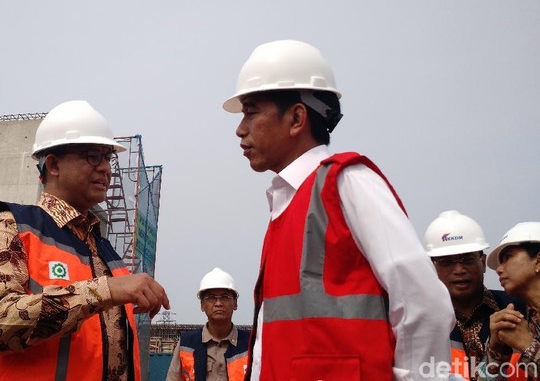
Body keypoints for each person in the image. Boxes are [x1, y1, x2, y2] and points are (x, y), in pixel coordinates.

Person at [222, 39, 455, 381]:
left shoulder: (348, 184)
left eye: (252, 111)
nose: (240, 129)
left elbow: (424, 303)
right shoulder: (286, 204)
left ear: (297, 118)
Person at [0, 100, 170, 381]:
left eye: (108, 158)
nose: (106, 169)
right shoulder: (11, 225)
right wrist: (104, 291)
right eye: (92, 156)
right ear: (53, 164)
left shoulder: (105, 252)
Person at [424, 210, 525, 381]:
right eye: (447, 262)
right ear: (432, 268)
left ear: (483, 262)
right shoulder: (421, 321)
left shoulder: (520, 307)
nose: (459, 270)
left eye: (467, 259)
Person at [476, 222, 540, 380]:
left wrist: (527, 344)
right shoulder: (519, 317)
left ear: (538, 261)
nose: (498, 269)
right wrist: (496, 348)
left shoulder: (522, 330)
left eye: (508, 257)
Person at [166, 268, 250, 381]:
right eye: (211, 298)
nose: (218, 303)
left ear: (235, 303)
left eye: (225, 297)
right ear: (202, 305)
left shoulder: (251, 344)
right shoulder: (186, 344)